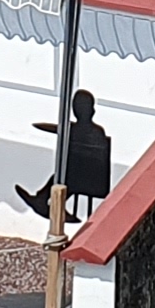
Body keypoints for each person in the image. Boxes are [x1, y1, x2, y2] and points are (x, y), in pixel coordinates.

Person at [17, 88, 113, 222]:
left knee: (63, 175)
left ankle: (45, 200)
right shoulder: (96, 131)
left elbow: (58, 129)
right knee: (65, 173)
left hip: (84, 180)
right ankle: (46, 200)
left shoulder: (75, 129)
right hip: (90, 179)